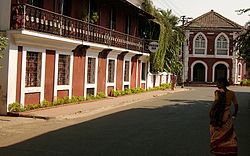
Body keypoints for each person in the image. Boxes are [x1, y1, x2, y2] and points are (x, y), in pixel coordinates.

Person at [209, 77, 239, 156]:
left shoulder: (217, 92)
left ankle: (218, 149)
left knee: (216, 132)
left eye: (218, 83)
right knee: (229, 134)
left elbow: (215, 102)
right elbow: (236, 104)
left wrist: (211, 111)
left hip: (218, 116)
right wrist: (235, 114)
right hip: (227, 116)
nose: (217, 85)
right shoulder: (231, 93)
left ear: (222, 83)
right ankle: (230, 149)